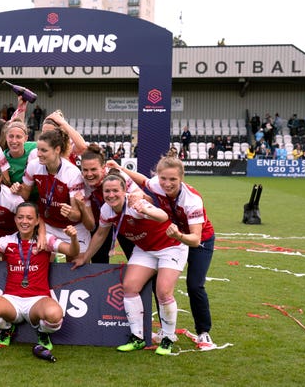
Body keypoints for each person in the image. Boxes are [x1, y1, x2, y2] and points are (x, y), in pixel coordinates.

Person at [71, 171, 188, 355]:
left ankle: (167, 338)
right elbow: (100, 234)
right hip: (145, 250)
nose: (111, 195)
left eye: (115, 191)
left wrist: (146, 209)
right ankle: (137, 337)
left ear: (124, 190)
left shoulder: (135, 204)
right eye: (107, 191)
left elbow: (163, 217)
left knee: (163, 291)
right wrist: (85, 257)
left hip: (170, 247)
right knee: (129, 286)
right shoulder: (106, 210)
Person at [109, 155, 217, 350]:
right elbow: (142, 180)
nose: (167, 184)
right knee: (161, 287)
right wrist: (120, 168)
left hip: (198, 239)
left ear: (181, 178)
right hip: (175, 236)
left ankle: (203, 332)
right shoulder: (158, 184)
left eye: (173, 179)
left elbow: (195, 239)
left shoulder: (192, 200)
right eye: (163, 179)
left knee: (194, 285)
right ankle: (165, 333)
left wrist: (178, 236)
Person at [0, 202, 79, 351]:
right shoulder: (7, 241)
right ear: (15, 220)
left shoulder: (46, 240)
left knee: (54, 315)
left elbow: (72, 252)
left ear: (37, 220)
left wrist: (74, 238)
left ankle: (42, 332)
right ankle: (6, 328)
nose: (24, 221)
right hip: (11, 299)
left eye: (29, 218)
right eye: (20, 217)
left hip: (37, 299)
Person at [14, 127, 90, 254]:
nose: (38, 154)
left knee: (75, 265)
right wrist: (16, 189)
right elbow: (25, 195)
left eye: (44, 150)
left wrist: (70, 212)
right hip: (47, 225)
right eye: (38, 149)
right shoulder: (34, 165)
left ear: (57, 150)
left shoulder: (72, 173)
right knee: (39, 261)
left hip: (71, 227)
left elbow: (77, 215)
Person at [80, 144, 138, 263]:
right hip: (100, 221)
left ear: (103, 167)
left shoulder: (117, 176)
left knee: (135, 259)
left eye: (93, 169)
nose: (89, 174)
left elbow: (143, 195)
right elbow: (90, 225)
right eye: (85, 170)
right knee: (98, 261)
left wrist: (136, 198)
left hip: (124, 220)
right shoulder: (80, 181)